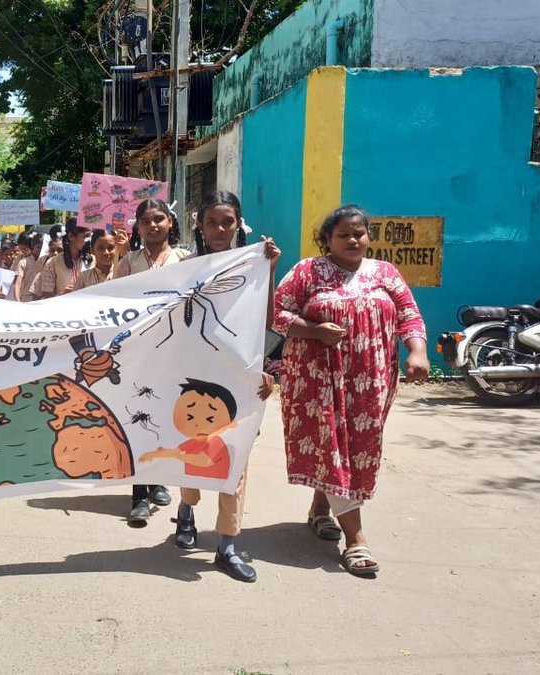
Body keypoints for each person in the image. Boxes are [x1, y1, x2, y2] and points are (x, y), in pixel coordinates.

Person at [273, 204, 429, 577]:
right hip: (316, 382)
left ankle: (319, 511)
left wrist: (417, 352)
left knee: (356, 451)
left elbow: (409, 314)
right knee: (332, 449)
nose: (353, 239)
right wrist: (313, 331)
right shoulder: (307, 272)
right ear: (327, 240)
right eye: (343, 234)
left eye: (358, 233)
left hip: (370, 382)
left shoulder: (384, 273)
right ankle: (356, 541)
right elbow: (277, 314)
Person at [164, 190, 280, 583]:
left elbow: (266, 321)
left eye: (227, 222)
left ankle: (228, 544)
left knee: (235, 459)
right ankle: (186, 509)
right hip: (194, 378)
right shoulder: (185, 268)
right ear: (200, 224)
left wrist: (271, 270)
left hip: (240, 381)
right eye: (211, 222)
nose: (219, 229)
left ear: (238, 224)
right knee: (195, 454)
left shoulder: (254, 266)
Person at [112, 198, 190, 524]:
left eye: (159, 219)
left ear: (170, 223)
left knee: (166, 419)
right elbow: (112, 300)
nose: (153, 225)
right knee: (138, 419)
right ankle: (138, 494)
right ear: (138, 227)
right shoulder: (129, 260)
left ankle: (159, 478)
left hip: (175, 352)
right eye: (146, 221)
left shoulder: (186, 258)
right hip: (139, 353)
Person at [31, 218, 90, 299]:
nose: (88, 240)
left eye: (89, 236)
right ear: (71, 236)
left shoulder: (92, 261)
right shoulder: (52, 263)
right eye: (85, 236)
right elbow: (46, 298)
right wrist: (63, 295)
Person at [12, 231, 45, 301]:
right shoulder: (22, 261)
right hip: (26, 298)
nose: (23, 252)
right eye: (21, 250)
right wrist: (17, 300)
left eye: (25, 249)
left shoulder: (46, 260)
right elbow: (17, 283)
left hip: (43, 298)